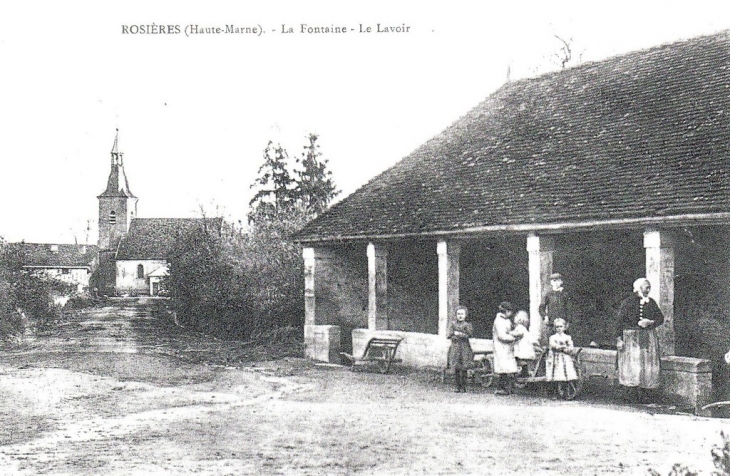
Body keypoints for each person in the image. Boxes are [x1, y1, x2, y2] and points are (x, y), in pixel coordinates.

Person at [615, 277, 665, 403]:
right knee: (632, 365)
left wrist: (650, 322)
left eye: (649, 287)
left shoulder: (651, 302)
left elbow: (660, 318)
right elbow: (619, 321)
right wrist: (619, 339)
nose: (648, 289)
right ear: (638, 288)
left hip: (648, 338)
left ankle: (645, 393)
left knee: (646, 365)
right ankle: (630, 394)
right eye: (646, 287)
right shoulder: (628, 302)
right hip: (631, 339)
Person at [545, 318, 579, 397]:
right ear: (555, 328)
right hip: (556, 358)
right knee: (556, 374)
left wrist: (568, 349)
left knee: (566, 374)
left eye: (561, 326)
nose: (559, 329)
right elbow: (553, 345)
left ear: (564, 327)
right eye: (557, 327)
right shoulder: (553, 337)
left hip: (566, 357)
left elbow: (571, 346)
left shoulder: (567, 337)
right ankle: (555, 393)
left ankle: (565, 392)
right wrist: (560, 347)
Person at [539, 273, 575, 345]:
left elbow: (569, 308)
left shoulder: (565, 294)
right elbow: (541, 307)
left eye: (558, 281)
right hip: (551, 323)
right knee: (552, 341)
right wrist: (545, 316)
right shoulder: (548, 294)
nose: (556, 283)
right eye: (554, 281)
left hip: (563, 322)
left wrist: (568, 321)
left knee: (564, 341)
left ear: (561, 282)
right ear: (551, 282)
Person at [492, 301, 518, 395]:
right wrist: (513, 338)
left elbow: (509, 330)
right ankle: (501, 388)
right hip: (501, 347)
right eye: (510, 312)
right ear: (506, 311)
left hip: (508, 347)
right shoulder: (499, 321)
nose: (511, 314)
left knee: (509, 368)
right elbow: (501, 336)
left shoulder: (506, 320)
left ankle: (509, 387)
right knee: (503, 368)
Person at [447, 305, 474, 393]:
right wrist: (457, 334)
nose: (460, 316)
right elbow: (449, 334)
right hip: (455, 347)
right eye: (458, 314)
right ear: (456, 315)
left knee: (464, 367)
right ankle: (457, 386)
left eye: (462, 314)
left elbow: (469, 334)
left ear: (465, 315)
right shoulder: (452, 324)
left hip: (464, 348)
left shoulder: (467, 325)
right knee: (457, 367)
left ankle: (464, 386)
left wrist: (458, 333)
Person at [511, 310, 537, 377]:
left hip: (522, 348)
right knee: (523, 361)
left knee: (516, 359)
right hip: (527, 347)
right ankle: (524, 372)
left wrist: (510, 333)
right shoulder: (524, 328)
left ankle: (520, 372)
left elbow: (519, 334)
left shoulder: (519, 327)